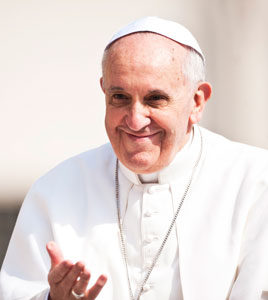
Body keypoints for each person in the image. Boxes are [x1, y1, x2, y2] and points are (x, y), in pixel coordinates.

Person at [1, 16, 268, 300]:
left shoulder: (255, 181)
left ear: (197, 101)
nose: (135, 119)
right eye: (120, 97)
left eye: (155, 99)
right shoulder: (54, 191)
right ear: (104, 91)